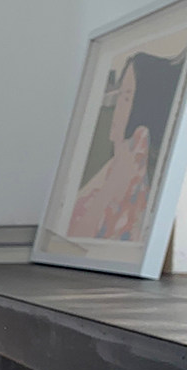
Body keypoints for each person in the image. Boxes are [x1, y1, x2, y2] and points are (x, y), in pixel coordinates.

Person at [69, 50, 183, 242]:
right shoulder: (114, 170)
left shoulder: (143, 187)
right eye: (119, 96)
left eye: (127, 98)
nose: (118, 109)